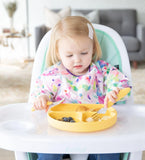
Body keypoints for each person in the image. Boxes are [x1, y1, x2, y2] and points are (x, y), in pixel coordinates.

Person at [31, 16, 131, 160]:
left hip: (96, 127)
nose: (77, 59)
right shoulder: (53, 74)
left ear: (93, 49)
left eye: (84, 53)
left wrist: (114, 92)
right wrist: (42, 98)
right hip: (61, 130)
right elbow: (40, 91)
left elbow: (120, 81)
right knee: (47, 151)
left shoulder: (101, 70)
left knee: (110, 149)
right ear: (59, 53)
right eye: (69, 55)